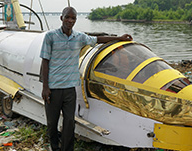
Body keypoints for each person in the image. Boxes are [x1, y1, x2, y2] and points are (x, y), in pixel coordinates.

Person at [40, 6, 132, 151]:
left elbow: (98, 39)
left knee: (70, 121)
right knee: (52, 123)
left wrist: (119, 38)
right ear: (61, 18)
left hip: (70, 88)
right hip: (54, 88)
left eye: (73, 18)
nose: (70, 20)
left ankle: (66, 149)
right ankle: (54, 147)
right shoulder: (50, 37)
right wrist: (45, 87)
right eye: (67, 17)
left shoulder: (79, 37)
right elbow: (45, 61)